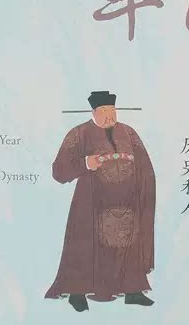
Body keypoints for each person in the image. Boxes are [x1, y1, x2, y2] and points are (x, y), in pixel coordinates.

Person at [45, 91, 156, 312]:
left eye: (113, 111)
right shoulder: (79, 134)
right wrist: (86, 163)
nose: (110, 116)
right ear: (94, 112)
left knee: (129, 245)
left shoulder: (129, 133)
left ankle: (133, 291)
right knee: (85, 246)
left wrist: (144, 192)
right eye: (104, 111)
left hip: (127, 204)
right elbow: (58, 171)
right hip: (91, 205)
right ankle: (77, 293)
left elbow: (144, 165)